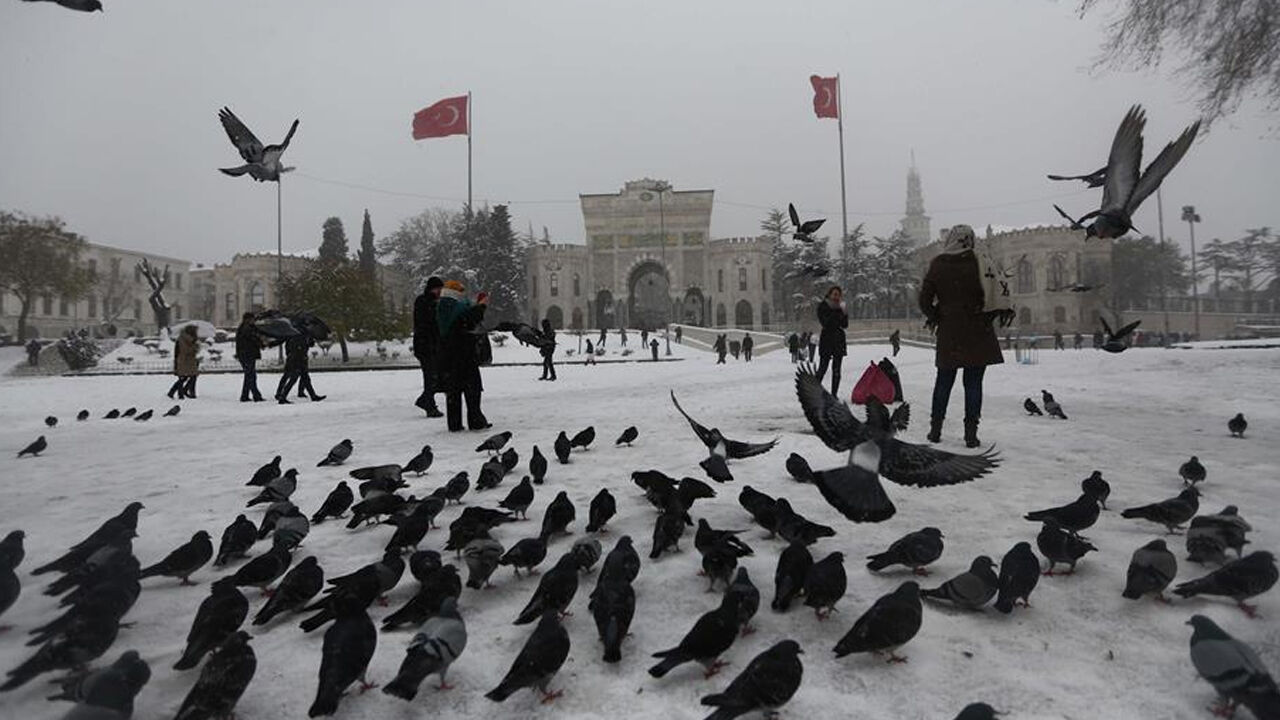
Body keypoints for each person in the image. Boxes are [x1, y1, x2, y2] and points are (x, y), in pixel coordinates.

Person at [918, 225, 1010, 448]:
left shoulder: (939, 264)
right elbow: (997, 292)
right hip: (978, 328)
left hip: (950, 330)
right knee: (973, 384)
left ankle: (935, 430)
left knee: (944, 382)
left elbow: (924, 300)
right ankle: (971, 434)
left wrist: (938, 316)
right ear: (970, 240)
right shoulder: (982, 261)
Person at [437, 280, 490, 432]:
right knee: (472, 388)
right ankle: (476, 421)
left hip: (448, 354)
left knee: (453, 390)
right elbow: (469, 319)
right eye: (462, 291)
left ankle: (454, 424)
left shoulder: (443, 306)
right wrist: (482, 305)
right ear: (456, 292)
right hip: (464, 353)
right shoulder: (458, 307)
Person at [412, 276, 445, 417]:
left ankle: (427, 400)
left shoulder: (431, 301)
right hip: (425, 345)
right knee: (431, 376)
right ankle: (427, 402)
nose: (439, 292)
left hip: (430, 345)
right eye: (438, 289)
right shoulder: (424, 301)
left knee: (434, 376)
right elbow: (427, 323)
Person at [815, 286, 849, 396]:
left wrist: (844, 313)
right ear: (829, 294)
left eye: (838, 295)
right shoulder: (823, 306)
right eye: (834, 294)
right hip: (827, 340)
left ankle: (834, 394)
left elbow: (844, 325)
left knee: (837, 370)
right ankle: (813, 393)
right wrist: (836, 312)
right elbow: (826, 323)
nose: (836, 297)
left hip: (838, 340)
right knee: (822, 368)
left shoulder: (841, 308)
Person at [235, 312, 264, 402]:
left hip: (246, 354)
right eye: (252, 319)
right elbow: (253, 339)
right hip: (247, 354)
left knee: (249, 375)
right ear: (247, 319)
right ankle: (256, 395)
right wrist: (261, 343)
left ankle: (245, 395)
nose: (253, 321)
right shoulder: (246, 329)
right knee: (251, 375)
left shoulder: (246, 327)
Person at [168, 324, 199, 399]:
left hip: (189, 361)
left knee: (191, 377)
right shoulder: (183, 339)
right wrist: (195, 347)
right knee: (184, 377)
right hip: (184, 360)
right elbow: (186, 350)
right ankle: (179, 393)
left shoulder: (190, 339)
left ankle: (181, 392)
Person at [275, 333, 308, 403]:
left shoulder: (294, 331)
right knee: (293, 376)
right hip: (296, 357)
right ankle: (282, 395)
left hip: (296, 355)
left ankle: (282, 394)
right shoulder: (295, 331)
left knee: (303, 376)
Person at [294, 336, 325, 401]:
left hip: (302, 359)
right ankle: (282, 395)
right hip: (298, 359)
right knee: (293, 379)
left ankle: (310, 395)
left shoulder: (306, 334)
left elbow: (310, 344)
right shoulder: (297, 336)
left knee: (305, 378)